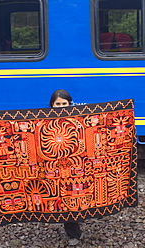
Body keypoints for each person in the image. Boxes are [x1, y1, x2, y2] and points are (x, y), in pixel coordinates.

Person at [49, 89, 83, 246]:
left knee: (75, 198)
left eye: (64, 104)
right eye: (58, 104)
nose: (61, 107)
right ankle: (73, 232)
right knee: (62, 200)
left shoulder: (79, 121)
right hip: (55, 169)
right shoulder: (44, 123)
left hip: (76, 168)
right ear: (52, 105)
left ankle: (75, 229)